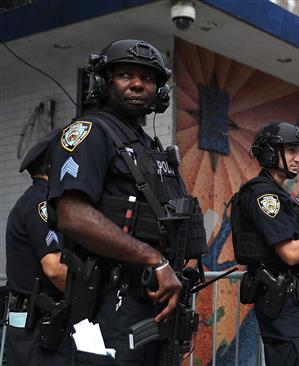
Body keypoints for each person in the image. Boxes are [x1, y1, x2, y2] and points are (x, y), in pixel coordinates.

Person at [47, 39, 206, 365]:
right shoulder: (90, 132)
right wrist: (154, 260)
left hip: (153, 303)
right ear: (104, 83)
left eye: (147, 78)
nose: (137, 84)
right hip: (109, 303)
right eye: (125, 75)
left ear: (159, 92)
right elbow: (72, 215)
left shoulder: (149, 148)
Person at [231, 122, 299, 366]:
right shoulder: (265, 196)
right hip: (286, 305)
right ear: (271, 153)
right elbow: (291, 253)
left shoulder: (282, 196)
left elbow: (298, 242)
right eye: (291, 151)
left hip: (294, 306)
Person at [5, 130, 71, 365]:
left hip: (30, 323)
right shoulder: (42, 202)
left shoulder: (30, 199)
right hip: (39, 325)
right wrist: (90, 302)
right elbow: (53, 268)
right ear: (53, 166)